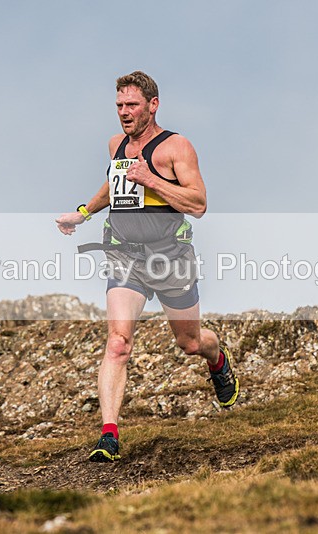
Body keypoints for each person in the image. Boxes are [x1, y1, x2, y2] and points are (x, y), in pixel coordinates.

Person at [55, 71, 239, 462]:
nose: (124, 113)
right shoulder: (116, 144)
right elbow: (113, 185)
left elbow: (199, 204)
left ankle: (217, 359)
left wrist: (151, 180)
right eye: (119, 105)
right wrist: (83, 212)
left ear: (153, 105)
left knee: (189, 343)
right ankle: (108, 435)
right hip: (125, 257)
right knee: (118, 343)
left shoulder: (176, 147)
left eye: (132, 105)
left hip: (170, 258)